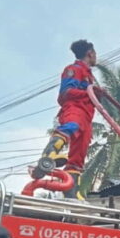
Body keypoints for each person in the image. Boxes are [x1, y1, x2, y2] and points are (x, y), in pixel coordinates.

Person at [32, 39, 98, 201]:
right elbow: (66, 92)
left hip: (87, 116)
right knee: (70, 126)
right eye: (95, 53)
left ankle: (71, 190)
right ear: (90, 53)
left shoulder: (90, 76)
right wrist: (90, 93)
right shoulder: (73, 69)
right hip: (75, 108)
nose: (96, 57)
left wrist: (97, 93)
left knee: (79, 154)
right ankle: (49, 155)